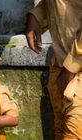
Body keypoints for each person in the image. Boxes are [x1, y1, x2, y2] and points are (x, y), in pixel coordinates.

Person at [25, 1, 82, 140]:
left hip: (74, 70)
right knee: (60, 130)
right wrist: (35, 15)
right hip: (60, 66)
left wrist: (70, 68)